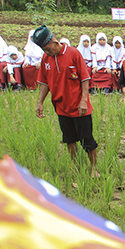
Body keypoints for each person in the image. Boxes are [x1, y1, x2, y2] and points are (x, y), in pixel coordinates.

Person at [33, 25, 100, 177]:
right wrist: (40, 102)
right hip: (61, 106)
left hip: (79, 107)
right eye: (44, 50)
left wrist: (84, 101)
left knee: (87, 140)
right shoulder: (46, 58)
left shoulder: (73, 53)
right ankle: (75, 167)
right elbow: (44, 82)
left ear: (55, 42)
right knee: (69, 139)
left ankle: (94, 169)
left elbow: (84, 78)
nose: (47, 52)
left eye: (48, 48)